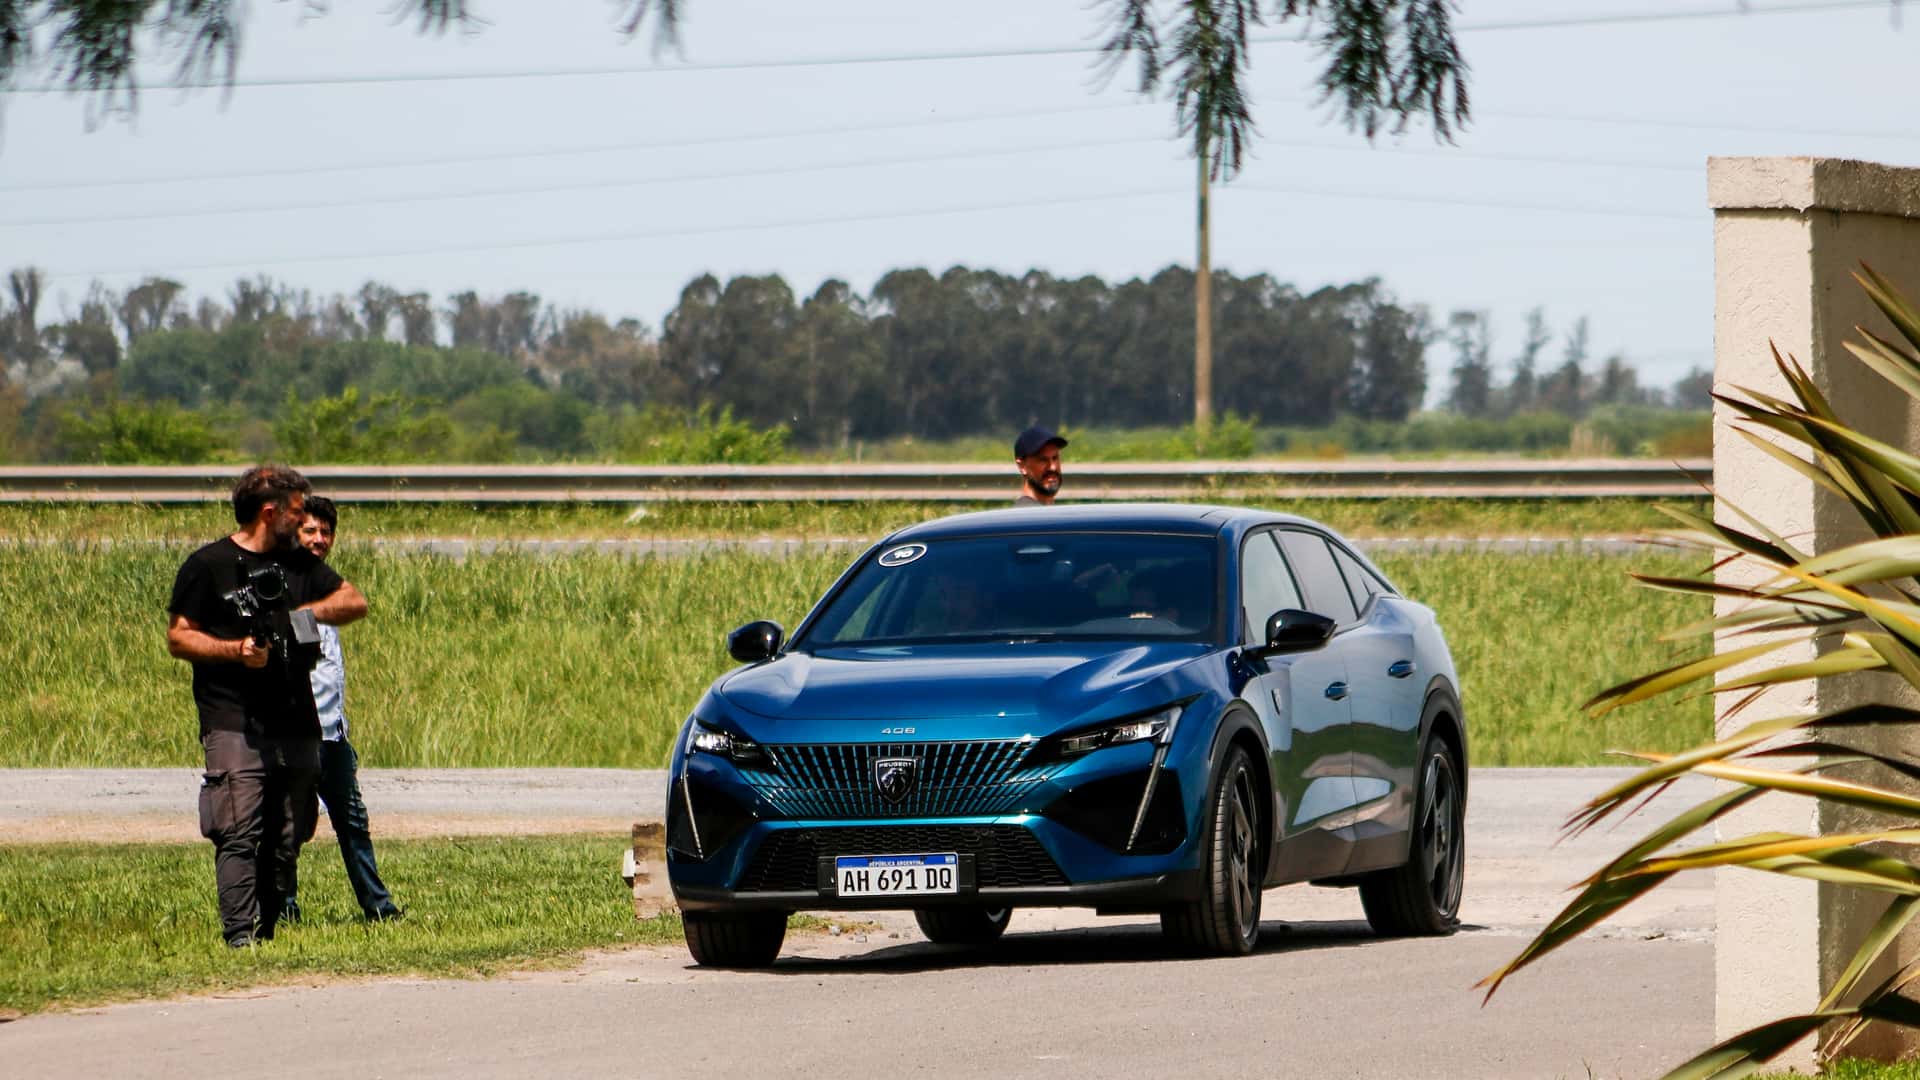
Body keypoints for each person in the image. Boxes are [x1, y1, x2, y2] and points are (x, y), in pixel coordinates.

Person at [166, 465, 369, 948]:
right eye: (298, 510)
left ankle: (270, 928)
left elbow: (354, 601)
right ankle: (240, 936)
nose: (304, 521)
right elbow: (179, 637)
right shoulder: (208, 565)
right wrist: (235, 651)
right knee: (238, 825)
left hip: (295, 715)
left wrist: (298, 615)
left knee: (289, 832)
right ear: (270, 511)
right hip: (233, 716)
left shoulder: (297, 564)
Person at [283, 496, 403, 924]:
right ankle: (284, 911)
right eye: (309, 531)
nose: (319, 539)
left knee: (353, 825)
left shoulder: (328, 586)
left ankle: (379, 908)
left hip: (333, 733)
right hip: (295, 732)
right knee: (291, 827)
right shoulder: (283, 584)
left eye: (325, 532)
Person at [1014, 425, 1068, 505]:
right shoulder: (1027, 514)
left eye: (1055, 458)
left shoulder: (1048, 514)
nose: (1053, 467)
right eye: (1043, 460)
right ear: (1022, 466)